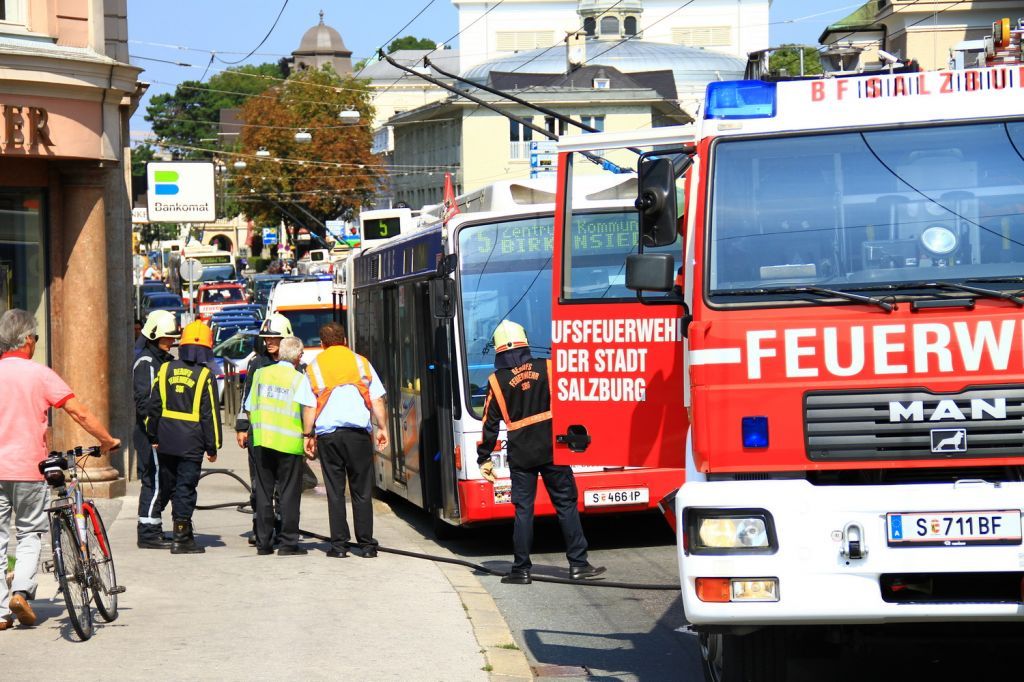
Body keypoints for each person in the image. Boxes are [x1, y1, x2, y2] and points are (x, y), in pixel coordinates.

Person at [0, 309, 119, 631]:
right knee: (29, 532)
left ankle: (0, 612)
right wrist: (106, 440)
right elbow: (78, 412)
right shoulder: (39, 374)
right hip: (27, 468)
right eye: (36, 338)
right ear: (27, 339)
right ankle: (20, 592)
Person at [476, 320, 605, 585]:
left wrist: (484, 457)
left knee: (524, 510)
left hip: (520, 453)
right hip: (552, 448)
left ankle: (521, 570)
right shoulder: (547, 367)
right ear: (525, 342)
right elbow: (571, 401)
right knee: (565, 504)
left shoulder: (496, 381)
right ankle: (578, 564)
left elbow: (489, 422)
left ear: (499, 350)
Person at [299, 322, 388, 558]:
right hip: (358, 436)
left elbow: (309, 407)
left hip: (329, 437)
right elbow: (377, 399)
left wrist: (308, 435)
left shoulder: (314, 367)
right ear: (345, 341)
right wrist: (382, 427)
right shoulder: (361, 363)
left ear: (322, 344)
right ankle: (367, 546)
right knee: (361, 491)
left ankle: (339, 546)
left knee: (335, 491)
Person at [146, 320, 221, 554]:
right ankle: (182, 536)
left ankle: (155, 527)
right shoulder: (205, 375)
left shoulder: (165, 369)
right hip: (192, 442)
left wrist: (152, 434)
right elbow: (210, 415)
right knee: (186, 487)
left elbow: (153, 406)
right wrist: (213, 446)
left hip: (166, 439)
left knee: (168, 485)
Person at [246, 336, 315, 556]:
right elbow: (308, 409)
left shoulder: (260, 374)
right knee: (288, 494)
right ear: (298, 356)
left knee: (263, 493)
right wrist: (308, 435)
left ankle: (263, 543)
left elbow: (249, 407)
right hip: (289, 443)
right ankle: (288, 544)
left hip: (262, 441)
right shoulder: (299, 379)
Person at [236, 314, 292, 546]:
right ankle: (261, 528)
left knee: (282, 487)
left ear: (286, 339)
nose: (269, 342)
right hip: (259, 436)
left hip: (285, 437)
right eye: (266, 338)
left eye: (274, 338)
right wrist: (242, 427)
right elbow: (246, 397)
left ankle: (281, 527)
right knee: (259, 486)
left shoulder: (295, 365)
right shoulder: (257, 363)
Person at [133, 310, 179, 549]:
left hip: (162, 432)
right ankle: (148, 533)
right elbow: (146, 403)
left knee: (164, 480)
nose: (171, 341)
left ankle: (153, 526)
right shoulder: (147, 363)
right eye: (167, 337)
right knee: (154, 480)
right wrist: (153, 432)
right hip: (150, 433)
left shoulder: (163, 361)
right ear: (153, 336)